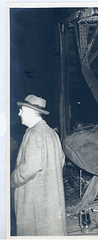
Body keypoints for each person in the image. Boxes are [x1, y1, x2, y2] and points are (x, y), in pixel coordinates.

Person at [10, 95, 67, 236]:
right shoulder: (51, 133)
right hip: (50, 198)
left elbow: (28, 169)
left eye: (21, 110)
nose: (19, 114)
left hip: (33, 199)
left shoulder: (33, 133)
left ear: (29, 111)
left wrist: (10, 181)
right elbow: (61, 161)